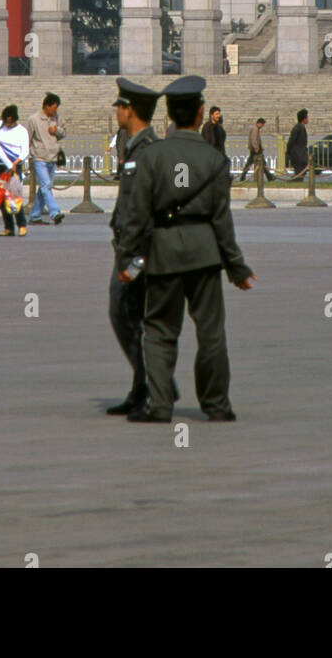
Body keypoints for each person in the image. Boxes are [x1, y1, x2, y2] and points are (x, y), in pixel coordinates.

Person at [116, 75, 255, 423]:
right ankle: (217, 405)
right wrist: (236, 268)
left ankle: (160, 405)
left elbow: (136, 216)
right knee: (211, 332)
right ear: (200, 113)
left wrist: (127, 260)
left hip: (163, 253)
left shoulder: (152, 156)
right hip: (205, 254)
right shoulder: (214, 160)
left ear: (170, 116)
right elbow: (223, 223)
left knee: (160, 331)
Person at [106, 77, 161, 416]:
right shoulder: (134, 145)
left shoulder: (147, 149)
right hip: (127, 247)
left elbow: (144, 209)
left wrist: (136, 259)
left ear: (129, 110)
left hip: (137, 252)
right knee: (127, 316)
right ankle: (143, 385)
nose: (117, 112)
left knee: (131, 317)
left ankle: (152, 387)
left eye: (119, 107)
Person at [26, 93, 66, 225]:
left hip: (53, 158)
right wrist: (29, 154)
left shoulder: (57, 118)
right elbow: (28, 138)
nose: (56, 110)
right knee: (46, 186)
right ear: (47, 106)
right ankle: (54, 212)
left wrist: (56, 130)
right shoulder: (34, 119)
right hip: (39, 158)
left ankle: (35, 215)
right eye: (54, 107)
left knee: (44, 188)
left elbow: (64, 133)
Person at [0, 104, 30, 236]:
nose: (8, 124)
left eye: (10, 121)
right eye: (6, 121)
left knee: (14, 197)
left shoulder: (21, 131)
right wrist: (8, 163)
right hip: (0, 167)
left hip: (14, 168)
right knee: (1, 198)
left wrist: (16, 162)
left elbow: (25, 151)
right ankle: (8, 227)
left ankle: (22, 225)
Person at [239, 118, 273, 182]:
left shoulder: (255, 129)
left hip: (256, 148)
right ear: (259, 123)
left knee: (259, 162)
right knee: (259, 162)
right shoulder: (255, 129)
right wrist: (256, 147)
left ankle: (269, 176)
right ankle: (269, 176)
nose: (262, 126)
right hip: (255, 149)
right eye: (262, 124)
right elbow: (253, 139)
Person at [286, 109, 309, 176]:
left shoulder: (301, 127)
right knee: (299, 173)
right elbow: (291, 140)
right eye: (307, 117)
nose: (308, 119)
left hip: (301, 154)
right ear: (304, 119)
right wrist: (288, 150)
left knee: (301, 173)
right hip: (297, 154)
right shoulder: (297, 128)